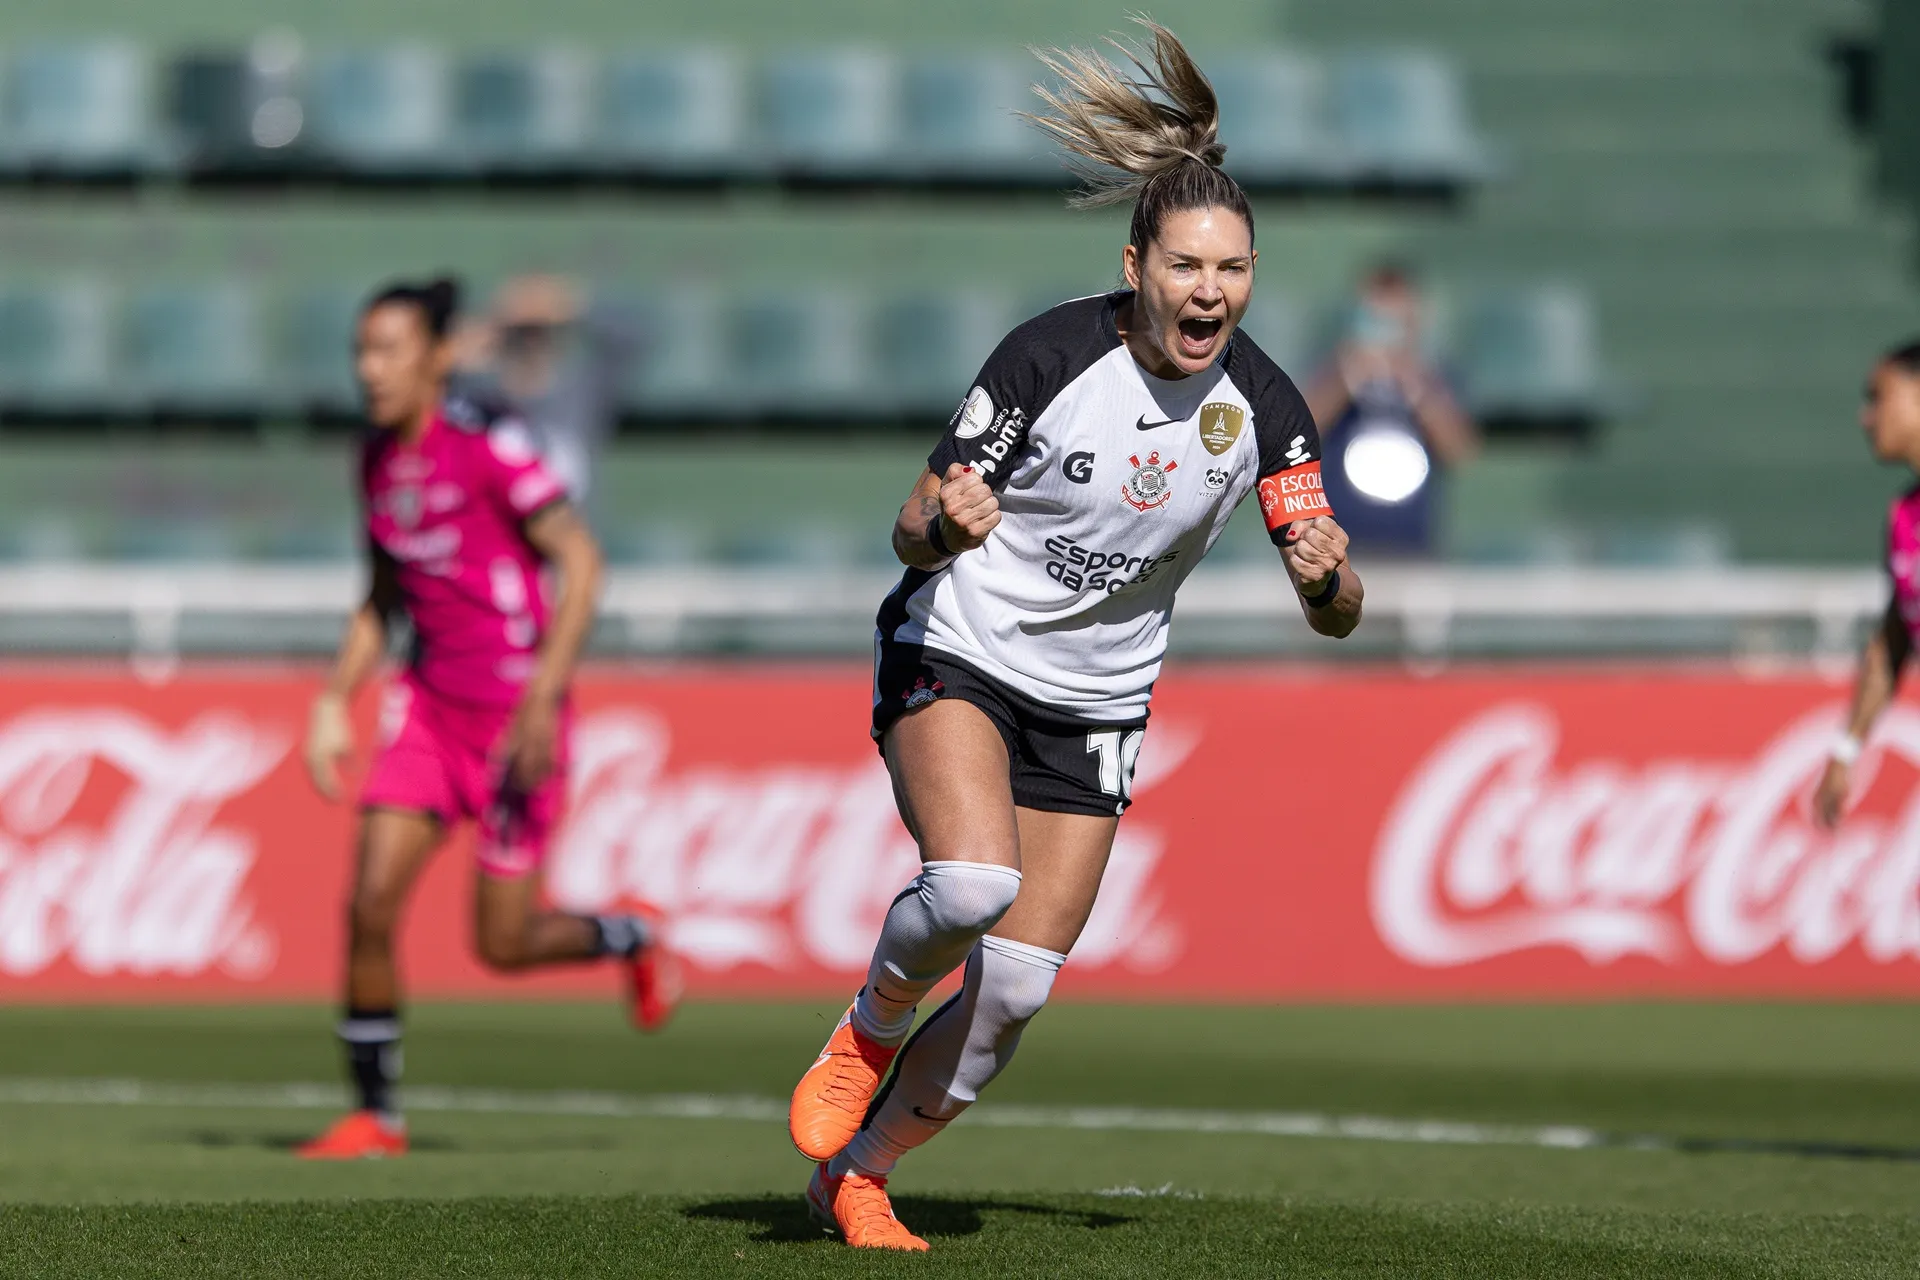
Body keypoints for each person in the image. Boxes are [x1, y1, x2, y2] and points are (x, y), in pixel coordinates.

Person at [784, 21, 1363, 1252]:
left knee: (1019, 988)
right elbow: (910, 527)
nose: (1212, 292)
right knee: (975, 882)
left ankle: (861, 1174)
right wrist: (945, 521)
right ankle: (872, 1020)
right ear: (1136, 264)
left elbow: (1338, 610)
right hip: (965, 649)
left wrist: (1327, 580)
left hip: (1100, 697)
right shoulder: (1049, 355)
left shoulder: (1262, 404)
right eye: (1189, 266)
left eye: (1235, 270)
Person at [294, 277, 679, 1162]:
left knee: (502, 945)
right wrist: (331, 699)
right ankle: (375, 1118)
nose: (369, 369)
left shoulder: (491, 445)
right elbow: (383, 592)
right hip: (428, 713)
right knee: (367, 902)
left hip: (517, 722)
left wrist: (544, 696)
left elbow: (580, 564)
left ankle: (631, 935)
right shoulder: (376, 458)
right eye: (361, 351)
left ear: (436, 356)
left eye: (388, 350)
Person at [1814, 339, 1920, 830]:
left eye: (1878, 397)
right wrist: (1847, 749)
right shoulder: (1903, 518)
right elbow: (1892, 640)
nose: (1866, 416)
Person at [1303, 262, 1477, 555]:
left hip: (1413, 545)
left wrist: (1415, 384)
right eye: (1376, 319)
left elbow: (1458, 449)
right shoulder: (1331, 371)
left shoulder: (1435, 377)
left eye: (1396, 321)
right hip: (1337, 545)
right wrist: (1348, 377)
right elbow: (1300, 433)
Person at [450, 274, 639, 520]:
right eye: (522, 332)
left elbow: (633, 339)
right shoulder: (479, 397)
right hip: (504, 550)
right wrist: (496, 317)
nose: (532, 342)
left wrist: (572, 306)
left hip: (573, 547)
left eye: (540, 331)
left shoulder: (583, 388)